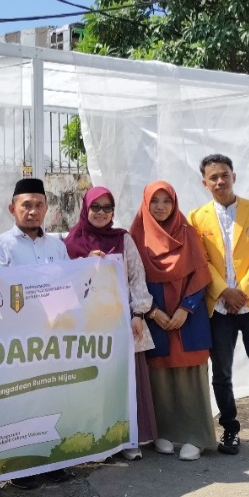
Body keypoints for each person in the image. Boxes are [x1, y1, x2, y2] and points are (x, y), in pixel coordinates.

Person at [187, 154, 249, 456]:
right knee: (222, 374)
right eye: (213, 177)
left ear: (234, 177)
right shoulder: (197, 217)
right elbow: (201, 260)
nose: (220, 181)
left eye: (224, 175)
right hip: (218, 308)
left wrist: (241, 292)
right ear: (205, 183)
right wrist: (224, 292)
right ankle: (229, 429)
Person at [0, 177, 75, 489]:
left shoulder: (57, 247)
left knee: (51, 397)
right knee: (21, 401)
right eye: (26, 205)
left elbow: (67, 287)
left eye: (39, 205)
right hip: (18, 340)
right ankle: (20, 465)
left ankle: (51, 460)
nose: (33, 211)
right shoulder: (0, 247)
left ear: (47, 209)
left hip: (51, 338)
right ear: (12, 208)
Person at [65, 186, 157, 461]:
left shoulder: (122, 239)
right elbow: (63, 284)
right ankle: (99, 443)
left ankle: (129, 439)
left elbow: (137, 277)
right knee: (95, 384)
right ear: (85, 208)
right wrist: (84, 264)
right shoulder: (71, 243)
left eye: (107, 208)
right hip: (88, 329)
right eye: (96, 207)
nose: (101, 213)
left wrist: (138, 314)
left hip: (122, 324)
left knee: (125, 381)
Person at [130, 181, 216, 461]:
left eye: (167, 201)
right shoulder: (136, 236)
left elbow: (201, 274)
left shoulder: (187, 232)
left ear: (174, 203)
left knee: (191, 375)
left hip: (187, 318)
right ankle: (162, 432)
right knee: (160, 376)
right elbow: (131, 278)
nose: (161, 207)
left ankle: (197, 436)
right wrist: (153, 311)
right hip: (154, 317)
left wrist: (185, 309)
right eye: (155, 201)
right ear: (146, 203)